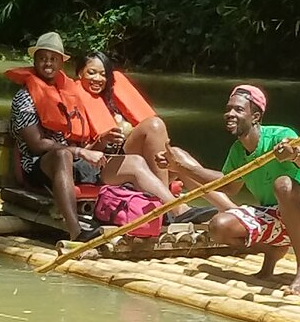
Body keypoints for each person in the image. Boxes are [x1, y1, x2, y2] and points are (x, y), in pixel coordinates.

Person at [155, 84, 300, 296]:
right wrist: (180, 167)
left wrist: (293, 153)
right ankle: (272, 250)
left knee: (283, 185)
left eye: (238, 110)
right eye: (228, 109)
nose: (230, 114)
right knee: (219, 226)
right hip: (277, 218)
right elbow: (229, 186)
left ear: (256, 117)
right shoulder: (238, 151)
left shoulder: (281, 135)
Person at [7, 32, 179, 242]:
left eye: (53, 59)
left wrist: (97, 145)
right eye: (43, 58)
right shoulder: (23, 98)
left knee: (135, 162)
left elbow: (82, 136)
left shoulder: (68, 92)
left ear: (61, 62)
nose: (48, 63)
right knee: (62, 155)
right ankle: (76, 230)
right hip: (39, 165)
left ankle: (177, 211)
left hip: (76, 161)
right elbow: (37, 145)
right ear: (35, 60)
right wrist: (81, 151)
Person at [75, 51, 217, 224]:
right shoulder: (71, 99)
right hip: (98, 167)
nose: (98, 79)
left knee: (175, 153)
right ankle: (175, 209)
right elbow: (78, 153)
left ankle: (230, 210)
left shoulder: (111, 100)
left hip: (123, 156)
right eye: (92, 72)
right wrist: (102, 141)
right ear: (79, 73)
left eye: (103, 74)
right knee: (142, 153)